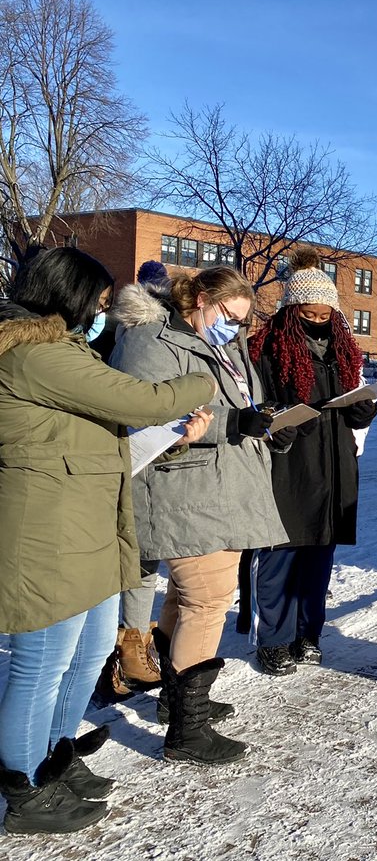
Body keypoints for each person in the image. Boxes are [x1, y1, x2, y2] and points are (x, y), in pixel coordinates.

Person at [0, 247, 217, 834]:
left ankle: (56, 757)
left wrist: (167, 439)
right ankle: (22, 789)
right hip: (47, 533)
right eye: (97, 301)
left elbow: (101, 432)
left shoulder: (66, 351)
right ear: (66, 295)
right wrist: (205, 375)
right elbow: (141, 399)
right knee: (41, 665)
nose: (102, 312)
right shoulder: (32, 353)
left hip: (88, 525)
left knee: (90, 651)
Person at [110, 266, 291, 765]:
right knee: (207, 600)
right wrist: (236, 423)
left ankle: (177, 700)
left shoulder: (223, 344)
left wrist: (268, 424)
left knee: (186, 598)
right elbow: (146, 413)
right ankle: (187, 730)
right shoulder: (150, 339)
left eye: (243, 321)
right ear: (201, 299)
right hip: (180, 488)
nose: (235, 327)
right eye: (230, 316)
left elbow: (244, 402)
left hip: (221, 487)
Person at [247, 252, 377, 676]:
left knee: (320, 555)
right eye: (309, 314)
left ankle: (308, 633)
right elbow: (254, 406)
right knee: (281, 553)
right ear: (291, 310)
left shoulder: (343, 351)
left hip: (335, 463)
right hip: (289, 464)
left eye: (325, 315)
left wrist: (363, 410)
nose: (318, 321)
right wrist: (275, 424)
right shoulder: (267, 350)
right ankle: (273, 639)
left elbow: (355, 398)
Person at [91, 258, 177, 703]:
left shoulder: (115, 329)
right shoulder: (143, 334)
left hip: (129, 454)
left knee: (136, 560)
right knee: (133, 561)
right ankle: (119, 657)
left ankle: (128, 649)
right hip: (128, 456)